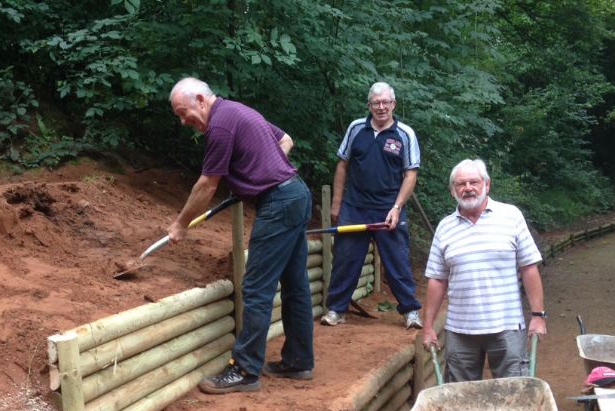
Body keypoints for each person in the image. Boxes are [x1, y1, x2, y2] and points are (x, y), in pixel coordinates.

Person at [167, 77, 314, 394]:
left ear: (201, 100)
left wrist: (180, 224)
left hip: (279, 204)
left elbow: (207, 185)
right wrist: (259, 171)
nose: (183, 121)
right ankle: (299, 361)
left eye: (184, 112)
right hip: (296, 195)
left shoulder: (220, 126)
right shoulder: (238, 111)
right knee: (295, 283)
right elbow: (285, 140)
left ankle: (245, 370)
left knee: (256, 287)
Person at [422, 158, 547, 411]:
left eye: (473, 182)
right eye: (461, 184)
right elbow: (436, 279)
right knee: (461, 400)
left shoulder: (510, 216)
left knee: (514, 398)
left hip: (507, 326)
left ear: (487, 185)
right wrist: (428, 325)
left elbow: (529, 268)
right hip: (461, 330)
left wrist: (537, 316)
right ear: (453, 190)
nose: (467, 188)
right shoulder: (446, 227)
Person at [321, 82, 423, 329]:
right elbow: (342, 165)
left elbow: (410, 174)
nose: (381, 107)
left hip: (389, 208)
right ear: (369, 105)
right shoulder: (356, 128)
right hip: (355, 206)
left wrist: (397, 207)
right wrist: (337, 203)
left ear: (393, 104)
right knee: (346, 259)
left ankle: (410, 312)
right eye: (376, 103)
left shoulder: (405, 134)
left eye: (385, 102)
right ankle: (336, 309)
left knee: (397, 261)